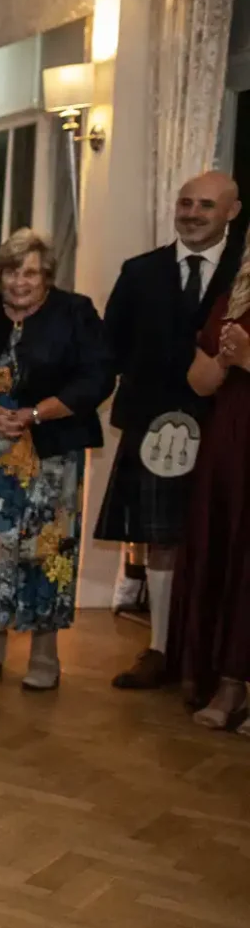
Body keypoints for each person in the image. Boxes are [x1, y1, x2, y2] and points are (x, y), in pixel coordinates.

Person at [94, 172, 242, 690]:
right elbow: (106, 351)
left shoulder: (245, 271)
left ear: (232, 211)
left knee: (220, 539)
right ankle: (159, 649)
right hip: (153, 428)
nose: (193, 213)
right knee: (161, 540)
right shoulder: (140, 272)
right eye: (185, 203)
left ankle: (209, 656)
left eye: (206, 204)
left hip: (229, 428)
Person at [0, 230, 112, 690]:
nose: (19, 282)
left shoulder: (74, 313)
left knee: (47, 553)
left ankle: (45, 655)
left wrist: (37, 414)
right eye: (10, 271)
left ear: (47, 277)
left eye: (29, 272)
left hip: (51, 456)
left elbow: (98, 377)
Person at [168, 257, 250, 730]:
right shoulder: (230, 301)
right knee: (224, 551)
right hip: (229, 446)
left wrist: (246, 357)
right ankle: (227, 681)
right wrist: (223, 359)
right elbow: (199, 382)